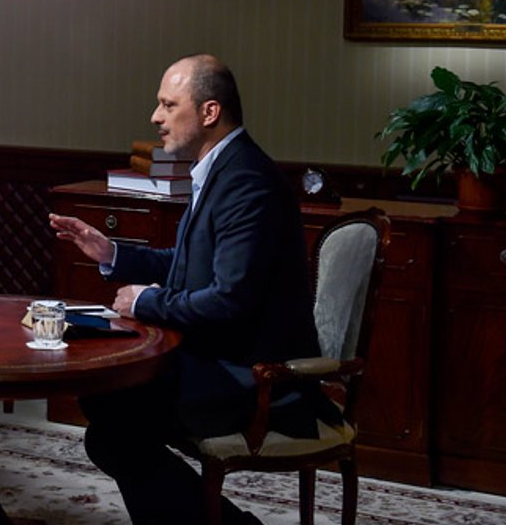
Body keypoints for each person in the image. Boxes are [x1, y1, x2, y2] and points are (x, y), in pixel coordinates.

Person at [50, 54, 335, 524]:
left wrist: (146, 301)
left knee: (112, 419)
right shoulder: (223, 168)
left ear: (209, 112)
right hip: (223, 360)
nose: (155, 117)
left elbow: (230, 299)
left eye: (168, 105)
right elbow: (186, 266)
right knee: (107, 406)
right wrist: (112, 253)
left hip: (258, 377)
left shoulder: (247, 181)